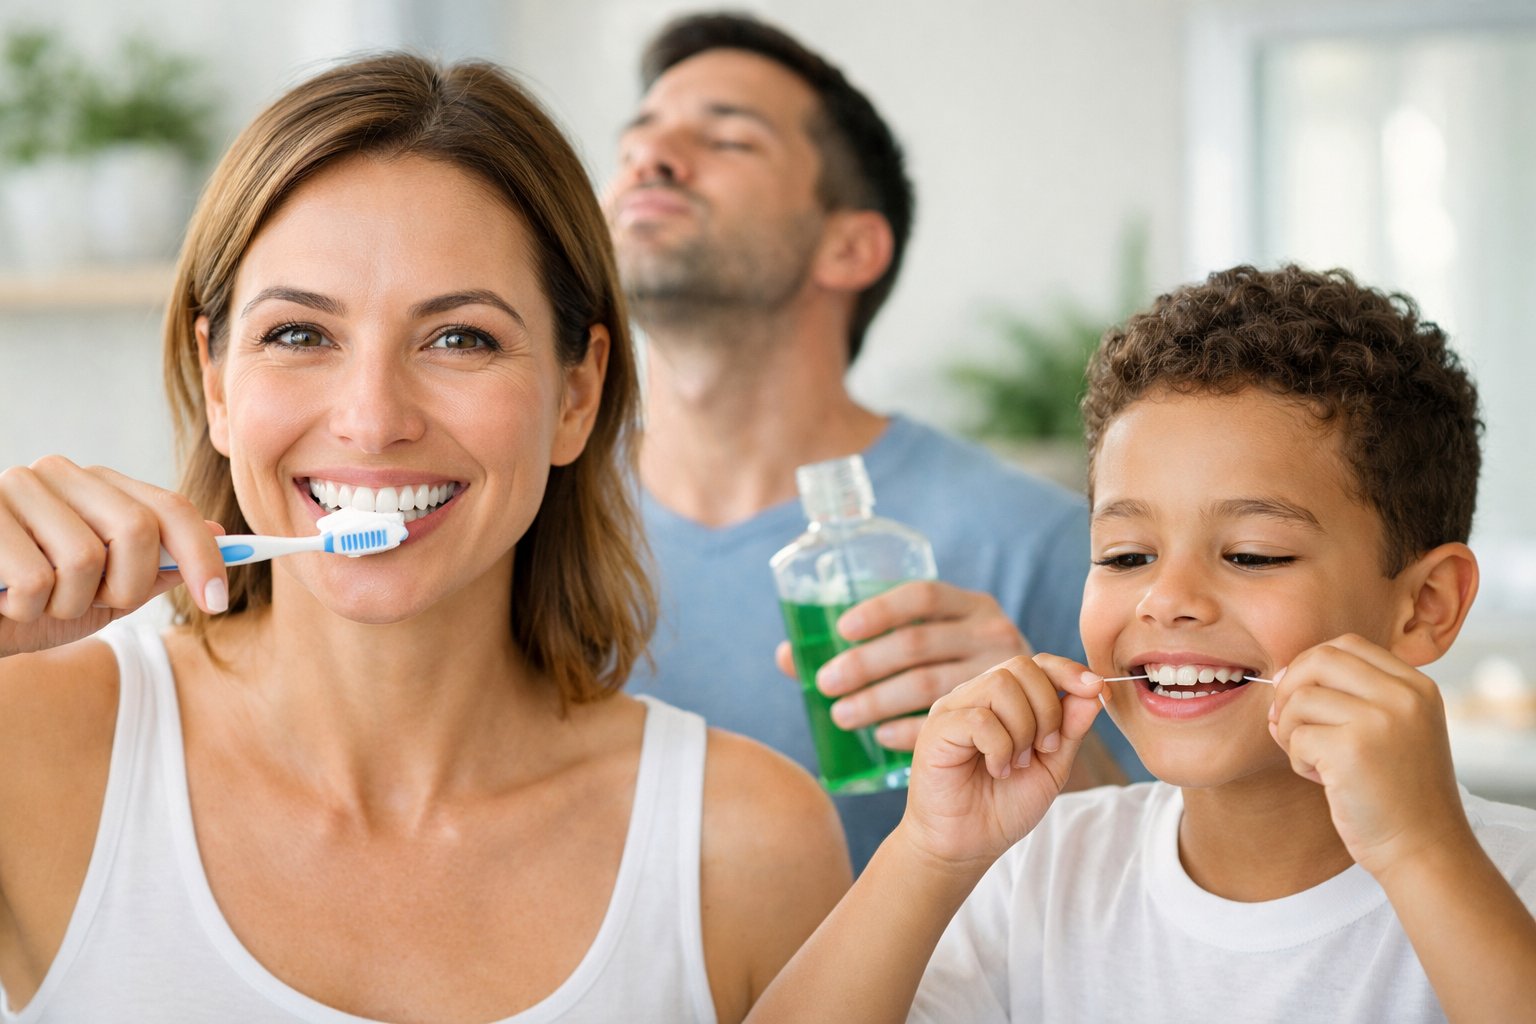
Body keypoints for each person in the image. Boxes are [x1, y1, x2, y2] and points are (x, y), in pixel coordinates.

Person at [0, 53, 851, 1024]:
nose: (372, 421)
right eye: (298, 334)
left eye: (460, 338)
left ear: (577, 395)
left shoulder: (746, 844)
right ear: (219, 382)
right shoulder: (27, 746)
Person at [746, 264, 1536, 1022]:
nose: (1167, 600)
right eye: (1126, 557)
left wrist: (1421, 852)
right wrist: (928, 853)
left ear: (1425, 606)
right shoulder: (1040, 872)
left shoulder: (1512, 879)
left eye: (1252, 554)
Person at [604, 10, 1138, 870]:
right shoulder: (524, 524)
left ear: (850, 246)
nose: (650, 158)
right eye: (635, 139)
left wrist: (1050, 748)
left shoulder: (1036, 549)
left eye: (729, 139)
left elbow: (1163, 890)